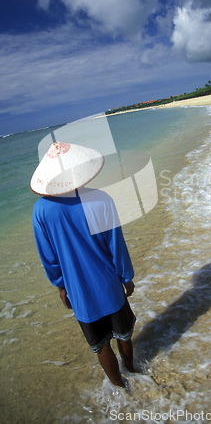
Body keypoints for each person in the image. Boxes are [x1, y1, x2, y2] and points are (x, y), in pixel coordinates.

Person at [30, 141, 136, 388]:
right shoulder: (101, 199)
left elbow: (49, 258)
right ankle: (133, 370)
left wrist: (60, 286)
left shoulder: (41, 210)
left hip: (79, 291)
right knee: (124, 335)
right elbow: (116, 245)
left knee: (101, 345)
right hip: (109, 283)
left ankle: (120, 389)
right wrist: (126, 276)